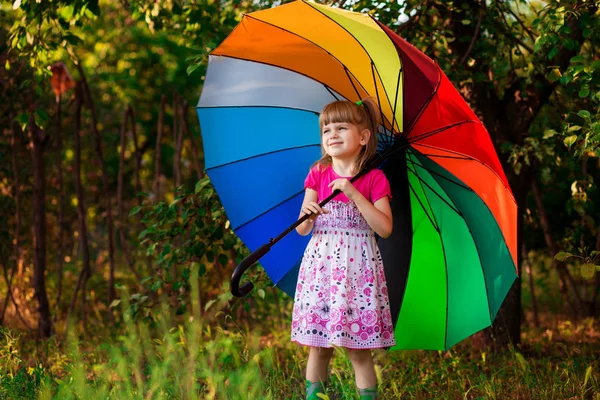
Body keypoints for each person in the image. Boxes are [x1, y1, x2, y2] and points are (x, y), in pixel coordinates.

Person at [291, 97, 395, 400]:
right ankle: (315, 396)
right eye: (326, 130)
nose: (332, 135)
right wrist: (307, 215)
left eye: (341, 128)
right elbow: (302, 229)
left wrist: (353, 192)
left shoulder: (374, 178)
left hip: (356, 272)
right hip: (322, 269)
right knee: (318, 346)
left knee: (358, 350)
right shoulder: (319, 173)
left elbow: (385, 228)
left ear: (363, 137)